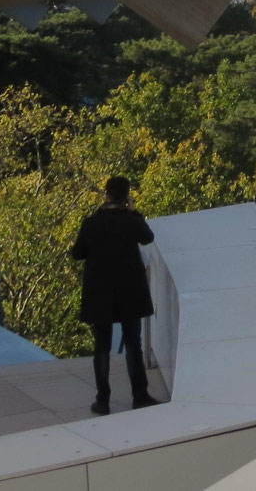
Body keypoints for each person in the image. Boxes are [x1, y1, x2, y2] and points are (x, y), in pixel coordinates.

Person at [69, 175, 159, 414]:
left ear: (106, 194)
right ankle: (140, 395)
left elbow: (77, 253)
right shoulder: (131, 221)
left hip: (100, 293)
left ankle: (103, 400)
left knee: (102, 347)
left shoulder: (91, 223)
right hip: (130, 291)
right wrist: (134, 212)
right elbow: (148, 237)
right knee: (133, 345)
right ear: (126, 196)